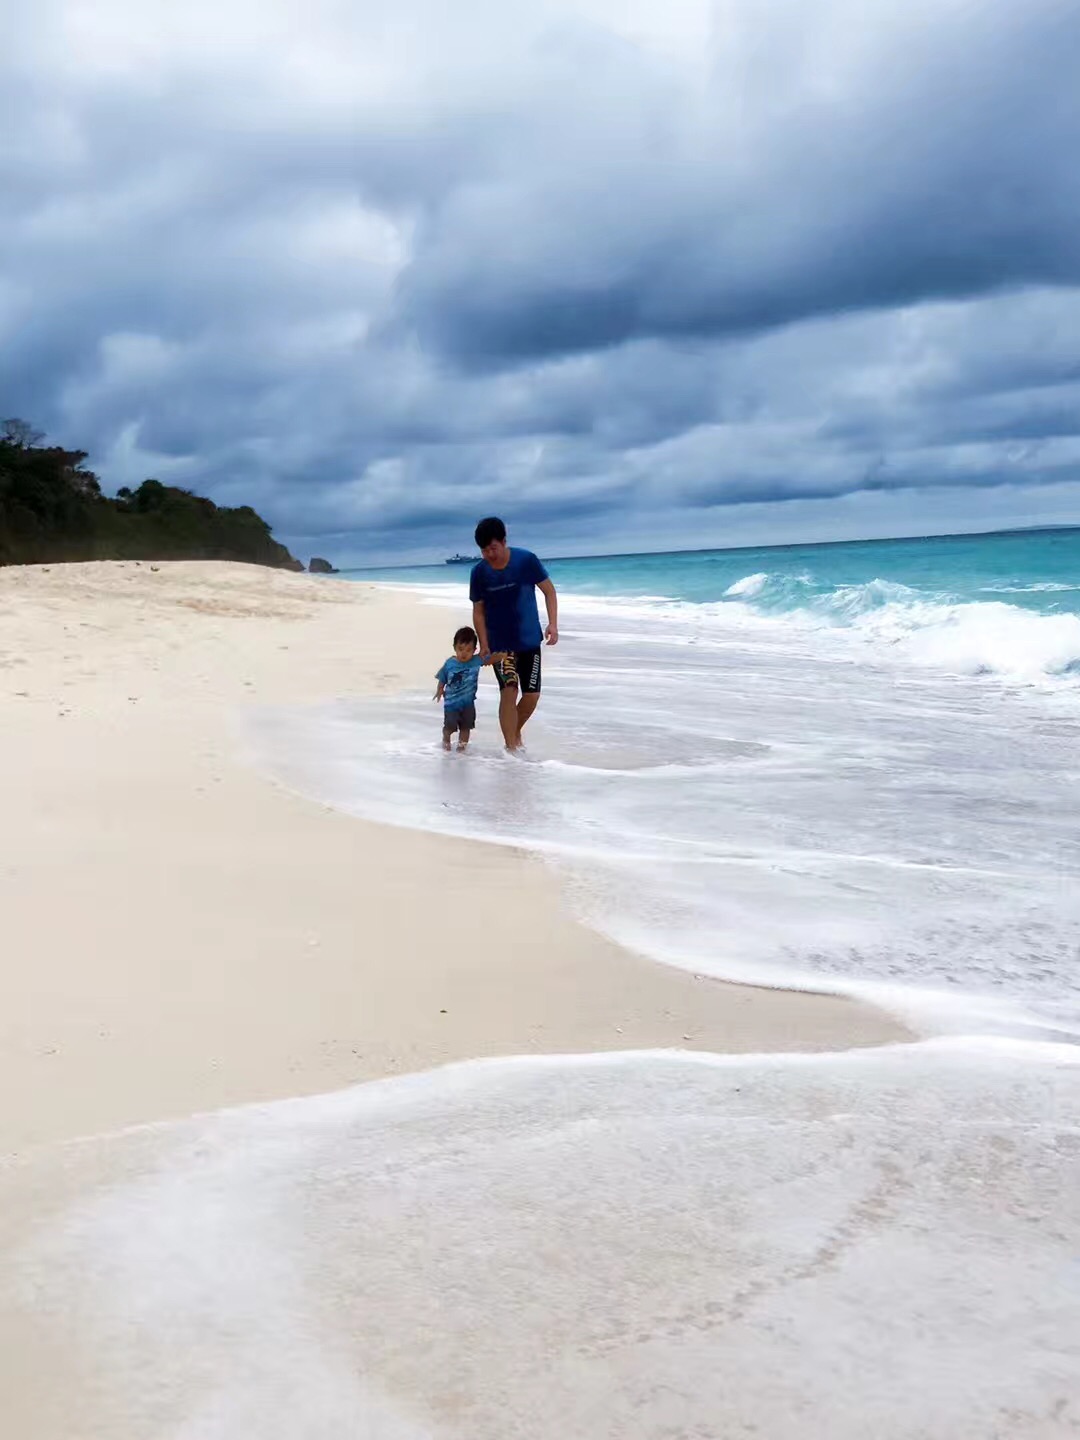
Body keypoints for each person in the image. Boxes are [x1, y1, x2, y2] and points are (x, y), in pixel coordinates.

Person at [470, 516, 558, 752]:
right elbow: (478, 611)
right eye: (484, 550)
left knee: (532, 696)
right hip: (500, 644)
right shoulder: (479, 573)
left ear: (504, 541)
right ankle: (511, 750)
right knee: (509, 690)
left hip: (529, 639)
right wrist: (484, 644)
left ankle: (514, 732)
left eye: (493, 548)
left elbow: (549, 591)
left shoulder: (526, 560)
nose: (490, 554)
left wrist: (553, 624)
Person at [433, 625, 503, 752]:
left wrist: (505, 653)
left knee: (466, 727)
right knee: (450, 726)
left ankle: (462, 747)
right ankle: (446, 739)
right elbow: (442, 677)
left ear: (474, 650)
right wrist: (439, 690)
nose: (464, 653)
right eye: (460, 649)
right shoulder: (450, 663)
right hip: (452, 704)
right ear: (454, 647)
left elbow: (493, 658)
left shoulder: (476, 661)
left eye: (468, 650)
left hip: (468, 704)